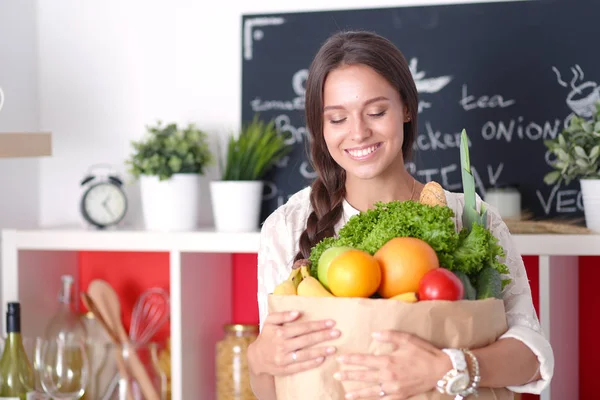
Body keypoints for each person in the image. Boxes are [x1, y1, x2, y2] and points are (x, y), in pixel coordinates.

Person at [247, 30, 554, 399]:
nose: (358, 133)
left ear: (406, 108)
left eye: (376, 112)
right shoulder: (287, 225)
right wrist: (259, 358)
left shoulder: (470, 217)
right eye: (337, 118)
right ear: (320, 126)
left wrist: (446, 368)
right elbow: (272, 389)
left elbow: (532, 357)